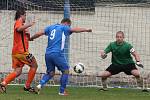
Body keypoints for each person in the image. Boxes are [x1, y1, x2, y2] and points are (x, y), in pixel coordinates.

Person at [30, 18, 92, 95]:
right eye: (69, 26)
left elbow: (39, 33)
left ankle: (39, 85)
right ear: (66, 23)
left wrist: (32, 38)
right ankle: (62, 91)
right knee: (65, 70)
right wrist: (86, 29)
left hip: (48, 54)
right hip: (57, 53)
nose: (69, 28)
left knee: (50, 73)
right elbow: (75, 29)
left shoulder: (50, 27)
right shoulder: (64, 27)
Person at [0, 9, 38, 93]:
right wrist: (29, 24)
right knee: (34, 65)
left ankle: (3, 83)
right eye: (25, 16)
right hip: (22, 52)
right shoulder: (19, 22)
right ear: (22, 15)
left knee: (18, 71)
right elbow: (18, 29)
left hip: (16, 53)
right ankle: (27, 86)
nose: (25, 18)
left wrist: (28, 35)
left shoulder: (21, 25)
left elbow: (25, 37)